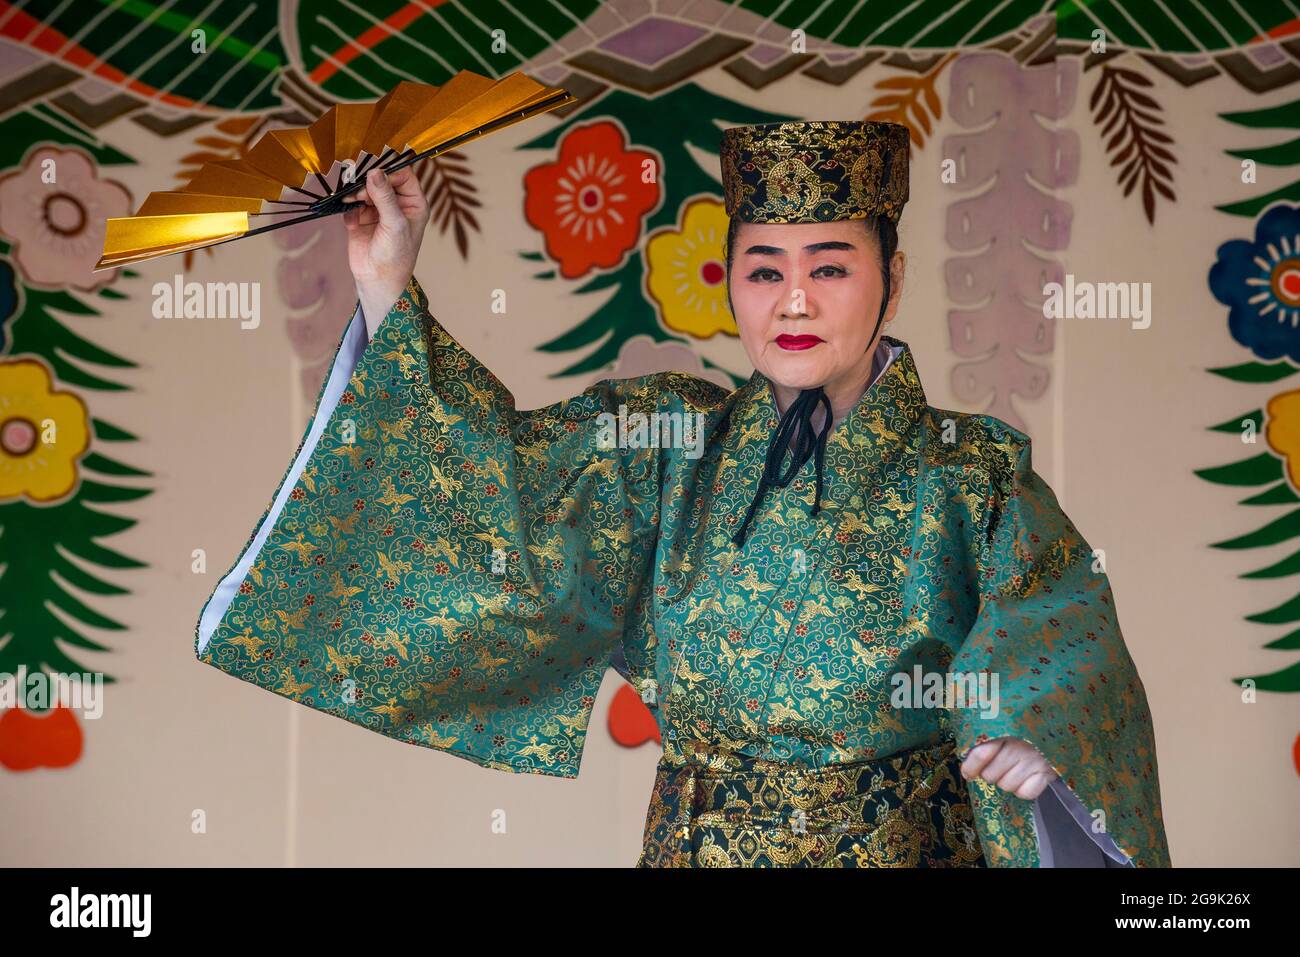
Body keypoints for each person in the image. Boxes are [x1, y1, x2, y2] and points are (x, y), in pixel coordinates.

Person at [196, 119, 1170, 867]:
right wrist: (387, 286)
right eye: (763, 269)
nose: (793, 301)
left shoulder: (972, 473)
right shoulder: (667, 446)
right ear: (732, 285)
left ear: (892, 278)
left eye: (830, 266)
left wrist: (1040, 749)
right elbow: (496, 502)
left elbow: (1056, 645)